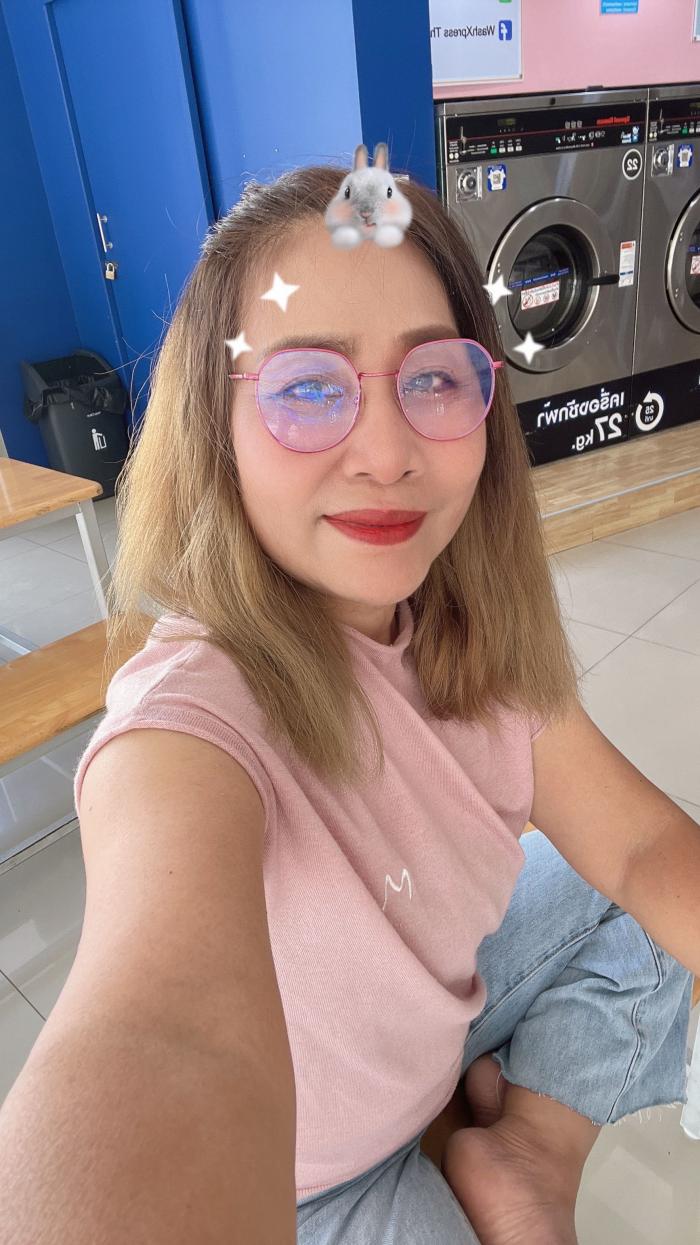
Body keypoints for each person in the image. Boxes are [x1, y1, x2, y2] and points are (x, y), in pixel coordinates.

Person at [0, 163, 693, 1245]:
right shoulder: (191, 720)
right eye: (308, 387)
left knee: (647, 902)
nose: (386, 454)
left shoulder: (475, 642)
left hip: (430, 1031)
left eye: (434, 377)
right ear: (215, 431)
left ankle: (529, 1150)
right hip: (313, 1183)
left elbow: (643, 847)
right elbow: (165, 1039)